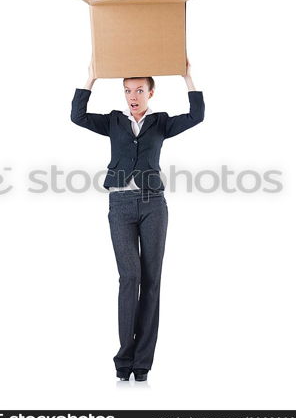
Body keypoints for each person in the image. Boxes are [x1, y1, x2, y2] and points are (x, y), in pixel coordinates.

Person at [70, 58, 205, 381]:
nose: (133, 95)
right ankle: (123, 359)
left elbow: (197, 116)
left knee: (152, 279)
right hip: (120, 204)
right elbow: (77, 116)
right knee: (129, 278)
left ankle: (142, 363)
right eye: (128, 90)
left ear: (151, 93)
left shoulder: (160, 122)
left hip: (152, 205)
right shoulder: (114, 122)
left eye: (140, 90)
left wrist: (188, 77)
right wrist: (90, 79)